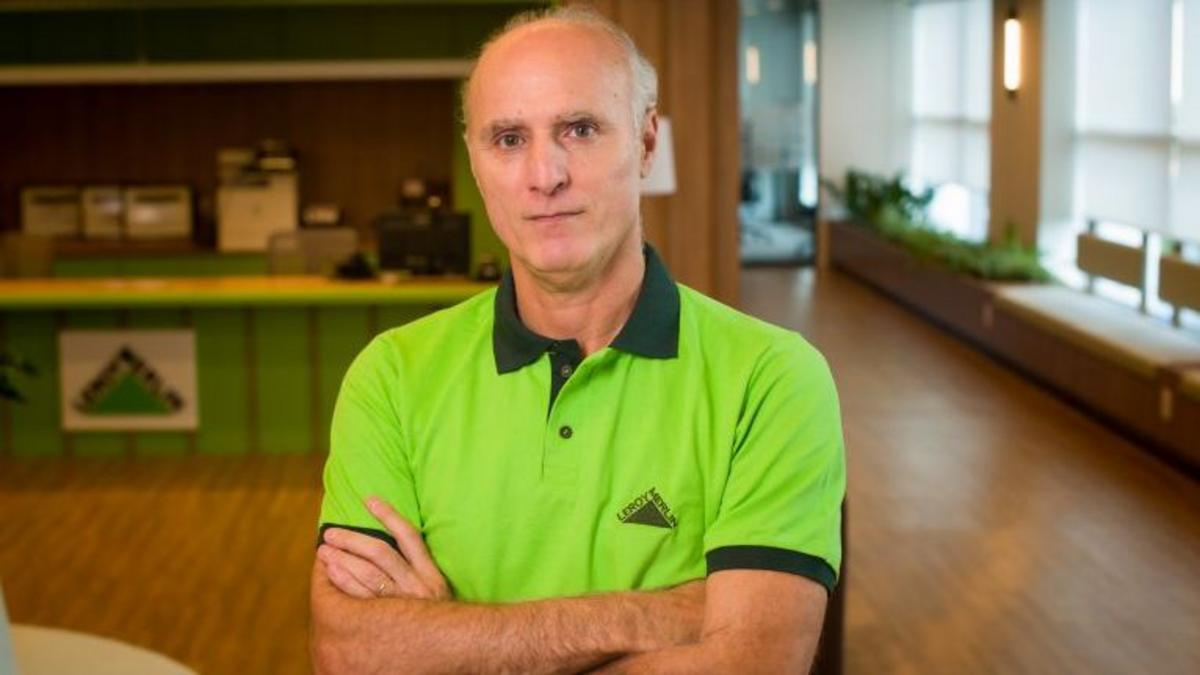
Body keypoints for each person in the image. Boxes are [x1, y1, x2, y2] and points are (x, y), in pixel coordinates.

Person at [310, 7, 845, 673]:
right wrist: (655, 614)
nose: (545, 175)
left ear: (646, 143)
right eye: (509, 139)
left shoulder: (772, 379)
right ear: (475, 161)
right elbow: (349, 652)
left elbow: (754, 665)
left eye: (580, 129)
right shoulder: (391, 375)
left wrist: (443, 643)